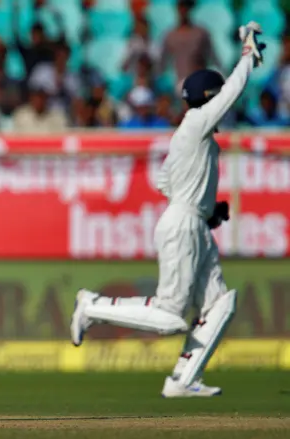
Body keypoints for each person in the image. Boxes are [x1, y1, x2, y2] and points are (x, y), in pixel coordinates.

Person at [69, 22, 266, 397]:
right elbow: (234, 93)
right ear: (210, 96)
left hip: (194, 225)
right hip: (182, 226)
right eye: (217, 95)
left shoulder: (189, 136)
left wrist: (206, 210)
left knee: (221, 303)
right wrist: (247, 54)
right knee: (170, 316)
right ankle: (93, 305)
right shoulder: (196, 122)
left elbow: (163, 182)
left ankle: (183, 380)